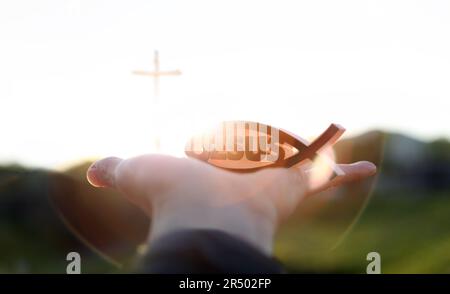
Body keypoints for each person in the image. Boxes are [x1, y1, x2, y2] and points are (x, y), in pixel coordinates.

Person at [86, 154, 376, 273]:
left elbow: (113, 169)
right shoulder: (281, 180)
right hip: (249, 269)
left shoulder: (157, 168)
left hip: (171, 259)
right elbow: (326, 173)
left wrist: (112, 169)